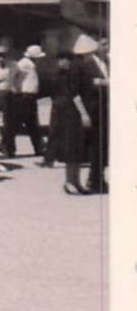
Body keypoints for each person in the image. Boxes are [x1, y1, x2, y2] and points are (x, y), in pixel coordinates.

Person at [44, 49, 89, 195]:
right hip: (65, 114)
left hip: (71, 113)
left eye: (64, 60)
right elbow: (70, 96)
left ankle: (76, 181)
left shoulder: (72, 75)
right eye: (60, 60)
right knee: (70, 148)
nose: (61, 63)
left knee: (77, 148)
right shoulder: (58, 76)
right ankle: (69, 181)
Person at [72, 32, 109, 194]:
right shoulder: (85, 65)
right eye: (103, 44)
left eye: (107, 44)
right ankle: (88, 179)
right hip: (92, 107)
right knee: (93, 144)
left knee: (103, 144)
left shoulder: (107, 62)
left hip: (105, 107)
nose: (106, 47)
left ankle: (98, 177)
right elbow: (81, 87)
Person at [13, 44, 46, 156]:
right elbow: (14, 75)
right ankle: (7, 145)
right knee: (21, 122)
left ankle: (39, 147)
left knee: (32, 123)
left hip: (30, 96)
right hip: (24, 96)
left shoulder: (31, 64)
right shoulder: (24, 63)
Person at [0, 42, 16, 158]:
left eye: (4, 55)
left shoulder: (14, 65)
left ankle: (8, 148)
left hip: (7, 94)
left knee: (8, 123)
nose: (2, 58)